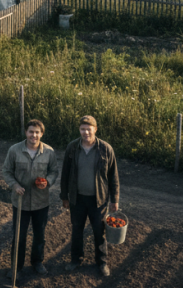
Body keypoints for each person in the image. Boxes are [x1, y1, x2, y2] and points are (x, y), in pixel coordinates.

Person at [61, 116, 120, 277]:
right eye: (82, 129)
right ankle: (76, 260)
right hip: (77, 198)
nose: (86, 132)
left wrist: (114, 199)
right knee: (77, 230)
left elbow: (113, 176)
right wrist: (64, 197)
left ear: (95, 129)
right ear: (79, 130)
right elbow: (65, 173)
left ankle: (102, 262)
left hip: (98, 200)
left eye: (89, 129)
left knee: (99, 231)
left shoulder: (105, 149)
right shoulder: (72, 147)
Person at [2, 119, 59, 278]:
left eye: (37, 132)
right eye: (31, 132)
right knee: (19, 236)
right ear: (26, 132)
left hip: (41, 201)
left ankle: (37, 262)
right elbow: (6, 171)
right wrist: (15, 185)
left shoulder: (49, 152)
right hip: (21, 202)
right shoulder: (15, 150)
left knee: (39, 235)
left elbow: (54, 171)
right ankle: (16, 267)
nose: (33, 135)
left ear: (42, 134)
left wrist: (47, 182)